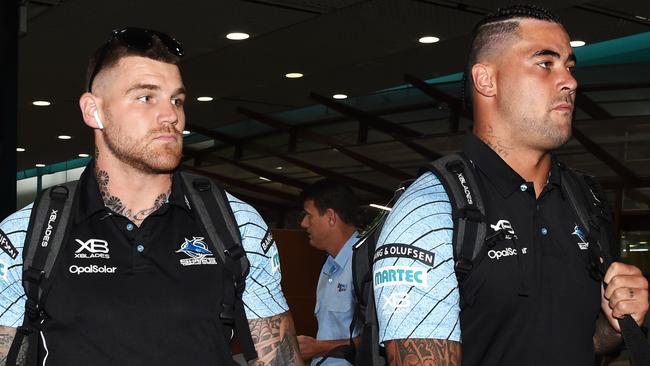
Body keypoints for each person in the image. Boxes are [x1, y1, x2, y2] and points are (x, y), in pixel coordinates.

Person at [0, 28, 304, 366]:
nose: (171, 115)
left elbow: (279, 360)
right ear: (93, 111)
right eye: (146, 97)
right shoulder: (26, 234)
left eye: (176, 100)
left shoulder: (236, 223)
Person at [372, 4, 649, 366]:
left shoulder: (584, 200)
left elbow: (575, 344)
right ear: (487, 80)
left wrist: (613, 328)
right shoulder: (431, 209)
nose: (570, 81)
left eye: (569, 66)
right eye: (545, 63)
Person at [297, 179, 361, 365]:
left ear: (331, 217)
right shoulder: (328, 266)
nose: (303, 223)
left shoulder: (365, 264)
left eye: (309, 215)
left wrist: (319, 348)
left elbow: (376, 341)